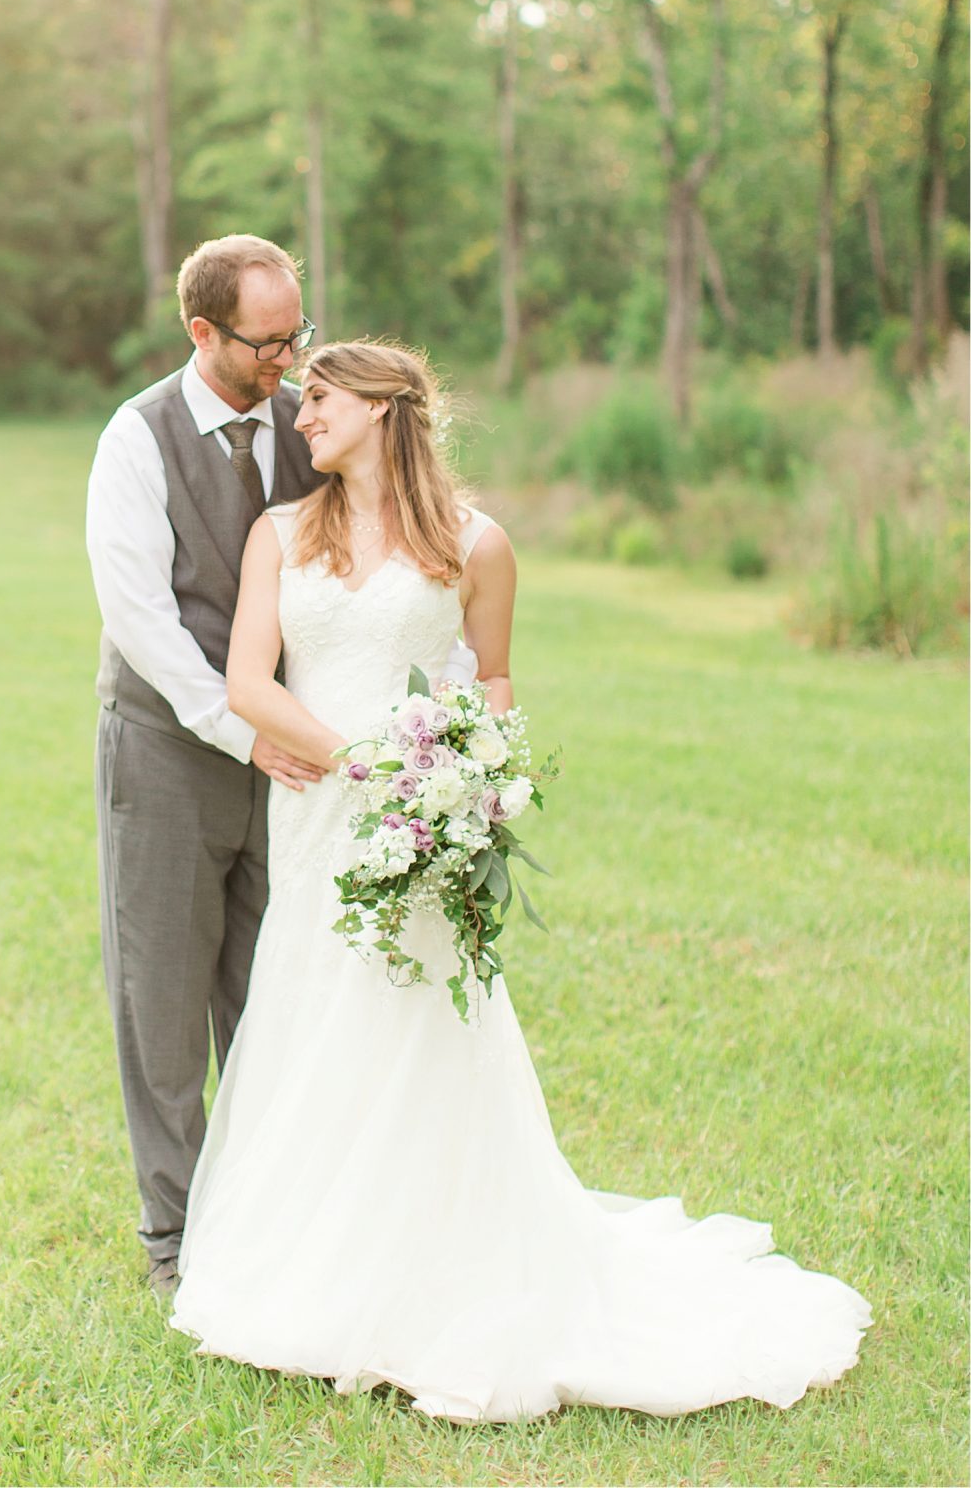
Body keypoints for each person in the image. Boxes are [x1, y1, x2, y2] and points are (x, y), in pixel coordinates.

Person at [170, 339, 871, 1422]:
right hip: (321, 812)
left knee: (419, 1029)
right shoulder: (279, 534)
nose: (302, 416)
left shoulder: (476, 544)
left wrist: (467, 787)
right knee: (315, 1016)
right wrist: (358, 765)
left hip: (423, 823)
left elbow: (490, 679)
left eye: (322, 399)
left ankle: (441, 1274)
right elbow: (248, 681)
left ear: (384, 407)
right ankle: (310, 1265)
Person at [85, 234, 325, 1297]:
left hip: (294, 756)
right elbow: (139, 614)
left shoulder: (311, 424)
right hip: (170, 748)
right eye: (264, 341)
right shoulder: (135, 438)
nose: (286, 358)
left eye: (295, 335)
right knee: (164, 994)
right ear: (201, 331)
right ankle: (172, 1236)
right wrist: (239, 729)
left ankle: (274, 1204)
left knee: (278, 982)